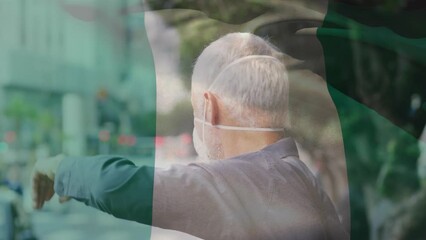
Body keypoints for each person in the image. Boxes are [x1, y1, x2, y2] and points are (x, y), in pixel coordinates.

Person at [32, 32, 348, 239]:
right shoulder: (306, 183)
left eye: (196, 109)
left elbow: (113, 185)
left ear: (209, 108)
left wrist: (57, 166)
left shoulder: (242, 183)